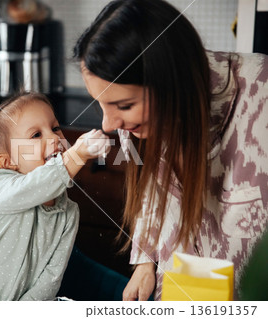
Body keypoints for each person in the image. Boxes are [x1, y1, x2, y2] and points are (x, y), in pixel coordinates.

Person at [73, 0, 268, 301]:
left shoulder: (260, 95)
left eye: (124, 105)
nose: (109, 124)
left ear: (173, 83)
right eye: (100, 102)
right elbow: (149, 192)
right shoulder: (134, 125)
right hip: (180, 292)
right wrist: (145, 262)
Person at [0, 92, 111, 301]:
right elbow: (36, 185)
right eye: (36, 135)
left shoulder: (68, 213)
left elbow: (50, 278)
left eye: (55, 127)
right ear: (8, 163)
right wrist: (76, 155)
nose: (54, 138)